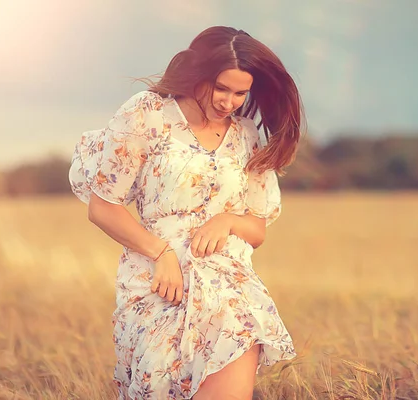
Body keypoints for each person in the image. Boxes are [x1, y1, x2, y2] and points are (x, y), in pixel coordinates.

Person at [69, 25, 305, 400]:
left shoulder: (245, 134)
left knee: (235, 355)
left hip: (228, 284)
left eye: (240, 93)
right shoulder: (147, 114)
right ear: (199, 73)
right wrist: (160, 253)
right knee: (159, 385)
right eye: (221, 88)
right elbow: (102, 207)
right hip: (159, 280)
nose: (229, 101)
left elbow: (257, 229)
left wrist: (226, 220)